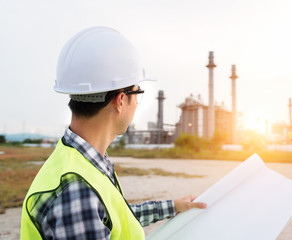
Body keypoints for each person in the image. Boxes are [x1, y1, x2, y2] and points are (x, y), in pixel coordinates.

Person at [20, 26, 206, 240]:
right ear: (120, 100)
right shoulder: (76, 191)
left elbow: (114, 217)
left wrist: (172, 206)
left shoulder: (81, 160)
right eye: (137, 93)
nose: (136, 103)